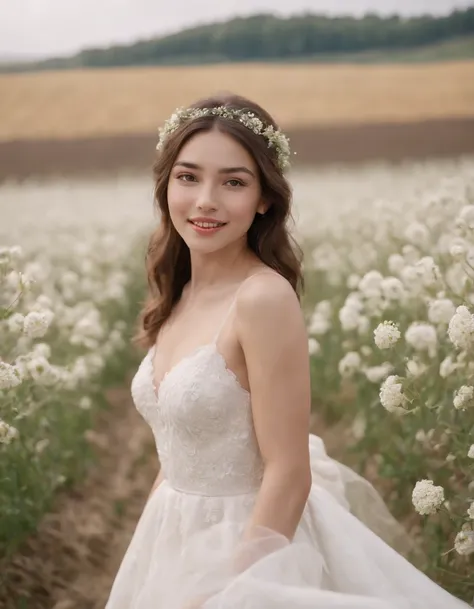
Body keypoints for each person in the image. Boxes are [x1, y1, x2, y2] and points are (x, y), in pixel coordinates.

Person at [105, 93, 468, 609]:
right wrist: (151, 555)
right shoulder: (179, 293)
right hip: (174, 533)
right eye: (188, 177)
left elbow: (289, 471)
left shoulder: (262, 298)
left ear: (264, 199)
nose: (206, 199)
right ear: (166, 187)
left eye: (233, 181)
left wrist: (236, 589)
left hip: (252, 542)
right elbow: (176, 449)